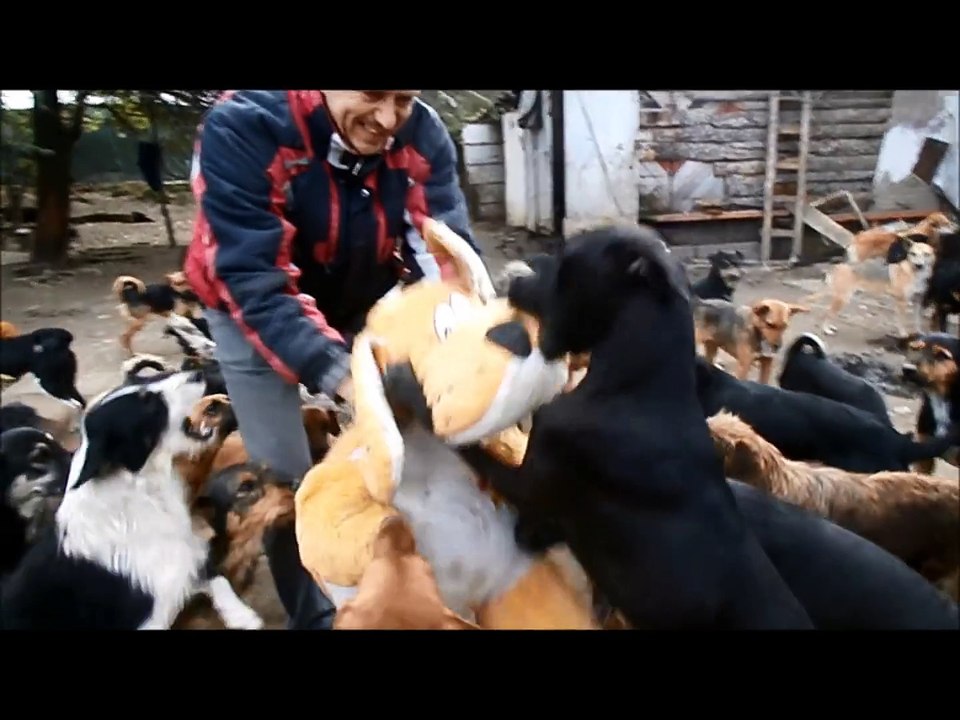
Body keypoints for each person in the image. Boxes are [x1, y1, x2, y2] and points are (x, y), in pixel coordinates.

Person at [182, 90, 482, 629]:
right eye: (372, 94)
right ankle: (317, 615)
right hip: (249, 304)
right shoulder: (244, 128)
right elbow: (257, 282)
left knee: (424, 435)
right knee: (285, 478)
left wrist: (452, 351)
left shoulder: (423, 133)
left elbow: (445, 257)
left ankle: (430, 578)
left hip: (361, 291)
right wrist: (354, 381)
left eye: (405, 98)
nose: (390, 118)